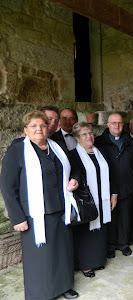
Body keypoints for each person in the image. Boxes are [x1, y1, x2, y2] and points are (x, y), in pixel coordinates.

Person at [0, 111, 80, 300]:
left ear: (48, 128)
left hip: (62, 210)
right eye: (33, 126)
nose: (39, 129)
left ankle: (64, 286)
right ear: (25, 130)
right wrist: (17, 217)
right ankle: (42, 294)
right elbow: (7, 186)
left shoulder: (57, 147)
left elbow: (76, 167)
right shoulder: (17, 150)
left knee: (62, 253)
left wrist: (75, 179)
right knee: (40, 259)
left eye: (42, 125)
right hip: (34, 215)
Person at [69, 122, 113, 278]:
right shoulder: (73, 155)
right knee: (85, 233)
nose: (89, 136)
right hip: (86, 201)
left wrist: (113, 194)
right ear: (77, 138)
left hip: (102, 199)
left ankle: (98, 260)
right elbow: (73, 177)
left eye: (91, 133)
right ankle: (85, 263)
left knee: (100, 230)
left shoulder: (100, 153)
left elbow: (111, 175)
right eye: (84, 134)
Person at [95, 112, 133, 257]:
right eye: (113, 123)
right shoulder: (100, 142)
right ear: (108, 125)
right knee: (110, 217)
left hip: (127, 187)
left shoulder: (129, 141)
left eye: (120, 123)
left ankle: (123, 243)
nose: (117, 125)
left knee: (125, 217)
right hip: (107, 187)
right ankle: (110, 245)